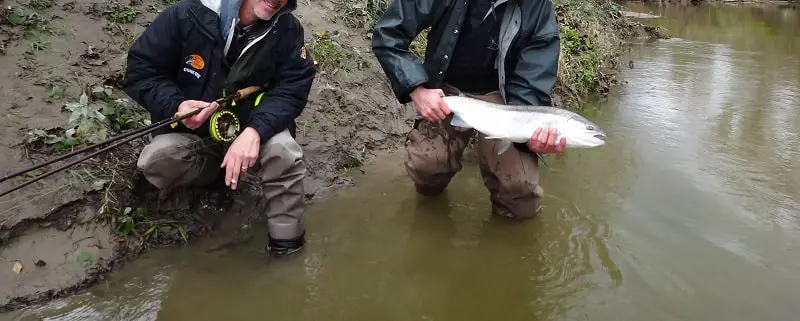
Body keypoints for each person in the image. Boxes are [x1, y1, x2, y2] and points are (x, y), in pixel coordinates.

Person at [122, 0, 316, 257]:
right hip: (194, 135)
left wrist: (255, 131)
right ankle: (217, 178)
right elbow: (141, 71)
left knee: (284, 151)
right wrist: (176, 105)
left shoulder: (288, 29)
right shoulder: (186, 14)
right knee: (156, 160)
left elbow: (293, 88)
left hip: (250, 131)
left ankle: (287, 248)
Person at [371, 0, 565, 219]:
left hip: (505, 98)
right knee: (427, 169)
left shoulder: (537, 6)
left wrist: (530, 134)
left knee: (520, 197)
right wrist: (416, 88)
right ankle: (430, 205)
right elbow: (388, 35)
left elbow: (532, 79)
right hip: (446, 89)